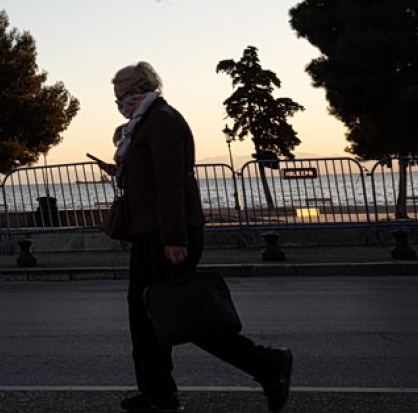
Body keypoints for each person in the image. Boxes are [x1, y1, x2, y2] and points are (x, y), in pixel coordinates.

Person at [112, 61, 293, 413]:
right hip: (152, 234)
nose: (118, 102)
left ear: (137, 90)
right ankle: (158, 394)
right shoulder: (144, 124)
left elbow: (172, 183)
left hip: (165, 236)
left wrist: (173, 238)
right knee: (148, 320)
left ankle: (267, 364)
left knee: (185, 316)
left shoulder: (162, 121)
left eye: (120, 95)